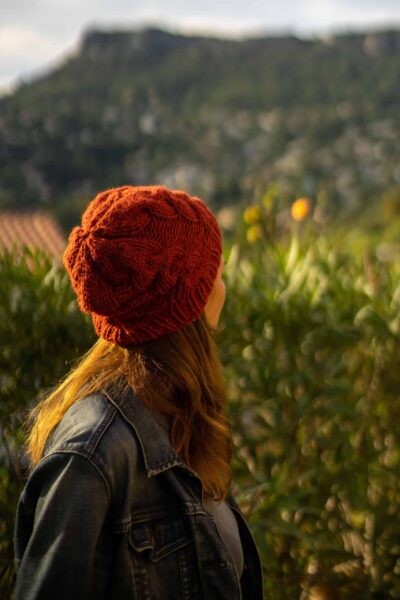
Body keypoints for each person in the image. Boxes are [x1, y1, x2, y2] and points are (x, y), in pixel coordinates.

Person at [13, 185, 264, 599]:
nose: (224, 286)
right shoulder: (91, 454)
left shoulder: (175, 419)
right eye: (217, 271)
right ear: (190, 298)